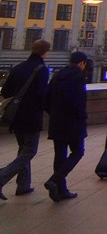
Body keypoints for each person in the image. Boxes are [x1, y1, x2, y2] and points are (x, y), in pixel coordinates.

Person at [0, 39, 51, 200]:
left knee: (23, 148)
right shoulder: (41, 69)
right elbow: (42, 95)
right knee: (30, 150)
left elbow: (6, 91)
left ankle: (23, 184)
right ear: (45, 52)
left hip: (15, 116)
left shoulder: (18, 68)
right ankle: (2, 177)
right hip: (31, 116)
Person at [43, 51, 88, 201]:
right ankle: (55, 179)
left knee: (60, 155)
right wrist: (82, 116)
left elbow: (46, 99)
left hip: (57, 121)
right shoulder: (78, 77)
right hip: (73, 121)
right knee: (78, 151)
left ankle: (60, 190)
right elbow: (78, 101)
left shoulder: (57, 75)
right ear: (81, 63)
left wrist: (54, 113)